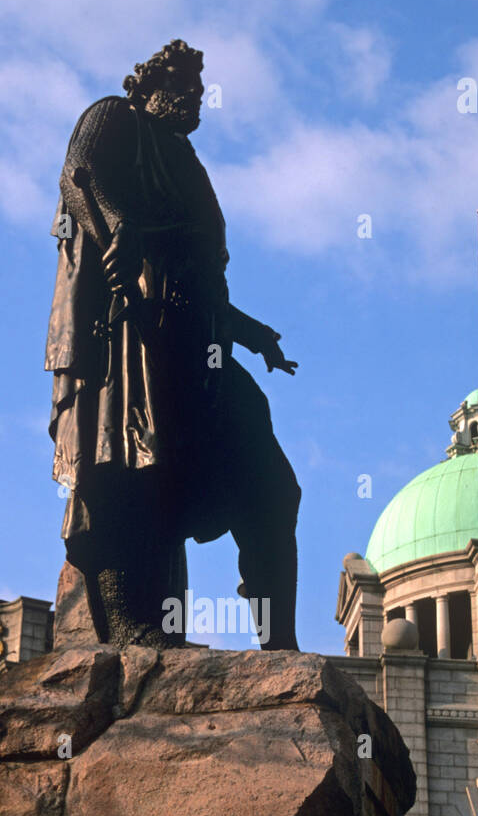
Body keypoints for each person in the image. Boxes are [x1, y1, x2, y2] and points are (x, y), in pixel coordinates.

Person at [45, 39, 300, 649]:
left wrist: (252, 333)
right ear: (148, 87)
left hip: (201, 347)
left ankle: (279, 643)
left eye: (200, 92)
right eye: (183, 88)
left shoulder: (188, 165)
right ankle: (134, 633)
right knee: (128, 472)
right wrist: (115, 219)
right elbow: (77, 174)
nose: (195, 101)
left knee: (271, 485)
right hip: (130, 335)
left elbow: (198, 279)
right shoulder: (113, 116)